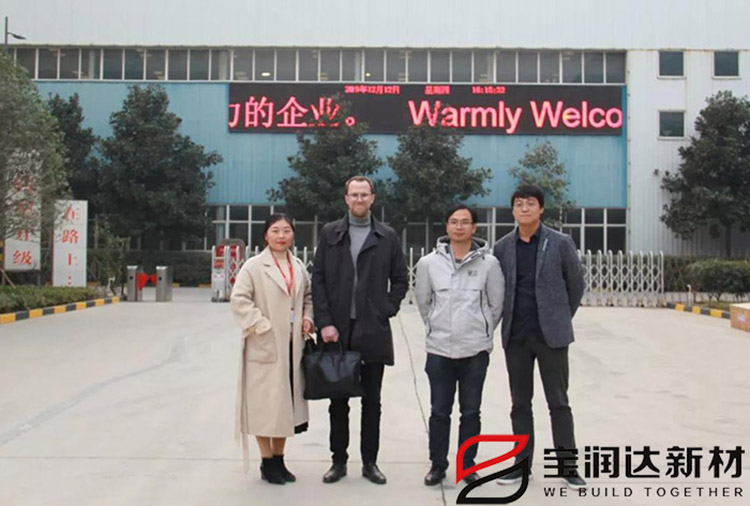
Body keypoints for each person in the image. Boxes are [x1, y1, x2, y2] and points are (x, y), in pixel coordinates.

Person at [312, 175, 408, 485]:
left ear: (373, 198)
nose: (359, 199)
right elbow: (318, 279)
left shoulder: (387, 236)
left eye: (364, 194)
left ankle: (370, 462)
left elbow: (401, 279)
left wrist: (386, 309)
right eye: (353, 195)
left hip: (372, 330)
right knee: (338, 400)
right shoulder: (330, 233)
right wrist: (325, 322)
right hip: (337, 331)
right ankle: (338, 461)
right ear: (346, 199)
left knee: (372, 401)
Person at [492, 184, 587, 489]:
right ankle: (521, 466)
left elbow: (576, 285)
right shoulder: (502, 247)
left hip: (551, 338)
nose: (524, 209)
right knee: (520, 404)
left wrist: (560, 317)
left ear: (541, 209)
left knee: (558, 402)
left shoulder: (560, 243)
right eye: (519, 204)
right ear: (513, 210)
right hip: (516, 337)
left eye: (530, 203)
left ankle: (567, 467)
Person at [414, 204, 504, 486]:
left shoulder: (489, 264)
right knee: (439, 411)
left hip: (475, 350)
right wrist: (436, 326)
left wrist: (482, 330)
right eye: (454, 222)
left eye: (465, 222)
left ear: (474, 228)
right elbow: (423, 302)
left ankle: (468, 465)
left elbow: (496, 304)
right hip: (439, 349)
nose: (459, 227)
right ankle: (437, 465)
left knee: (471, 412)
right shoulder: (429, 263)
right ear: (447, 227)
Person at [230, 214, 314, 485]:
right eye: (275, 231)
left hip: (293, 346)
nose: (281, 236)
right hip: (265, 345)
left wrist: (307, 317)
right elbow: (239, 299)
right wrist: (260, 325)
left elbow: (308, 297)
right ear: (266, 235)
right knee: (265, 406)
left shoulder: (298, 266)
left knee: (285, 406)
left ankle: (279, 459)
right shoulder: (254, 266)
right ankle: (266, 461)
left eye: (286, 231)